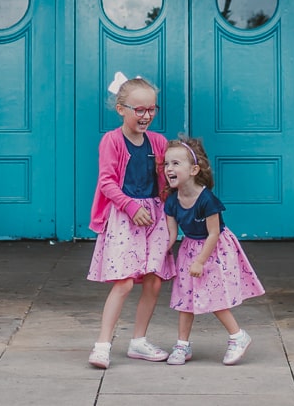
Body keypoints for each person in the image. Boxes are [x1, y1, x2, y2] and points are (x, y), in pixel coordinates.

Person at [86, 72, 175, 369]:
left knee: (153, 282)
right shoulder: (111, 141)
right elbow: (107, 182)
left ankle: (138, 341)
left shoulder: (159, 142)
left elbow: (167, 180)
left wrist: (173, 215)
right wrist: (129, 206)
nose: (146, 115)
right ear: (121, 109)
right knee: (124, 282)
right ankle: (102, 344)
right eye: (139, 110)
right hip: (125, 218)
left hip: (154, 217)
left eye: (152, 109)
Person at [163, 137, 265, 366]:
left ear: (194, 170)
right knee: (185, 299)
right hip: (190, 250)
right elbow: (171, 235)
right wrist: (158, 255)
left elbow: (214, 233)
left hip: (215, 250)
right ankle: (182, 344)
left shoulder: (207, 199)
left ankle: (238, 336)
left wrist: (200, 261)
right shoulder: (171, 201)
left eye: (176, 163)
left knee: (214, 296)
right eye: (166, 164)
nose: (169, 168)